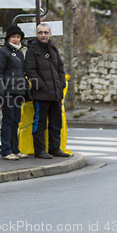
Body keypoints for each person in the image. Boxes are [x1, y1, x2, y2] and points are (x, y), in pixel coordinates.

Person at [25, 23, 70, 159]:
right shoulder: (32, 50)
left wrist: (61, 83)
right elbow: (30, 71)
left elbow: (61, 68)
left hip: (56, 92)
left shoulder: (53, 48)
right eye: (40, 32)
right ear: (37, 34)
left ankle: (55, 148)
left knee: (56, 123)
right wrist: (41, 85)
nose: (43, 35)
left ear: (50, 34)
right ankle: (40, 151)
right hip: (41, 93)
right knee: (40, 123)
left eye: (46, 32)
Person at [0, 25, 30, 161]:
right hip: (8, 91)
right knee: (8, 121)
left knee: (16, 121)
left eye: (18, 37)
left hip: (18, 91)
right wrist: (0, 92)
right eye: (13, 37)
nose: (16, 39)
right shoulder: (2, 52)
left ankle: (15, 149)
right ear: (8, 37)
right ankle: (6, 150)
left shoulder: (20, 52)